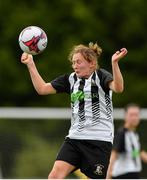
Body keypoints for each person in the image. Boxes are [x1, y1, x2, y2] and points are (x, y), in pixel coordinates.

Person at [21, 42, 127, 179]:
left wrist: (114, 63)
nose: (75, 66)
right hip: (75, 139)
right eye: (73, 62)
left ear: (92, 63)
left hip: (99, 141)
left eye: (78, 62)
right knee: (54, 176)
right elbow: (42, 89)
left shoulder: (100, 77)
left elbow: (118, 88)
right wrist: (30, 64)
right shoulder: (70, 79)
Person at [107, 103, 147, 179]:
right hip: (123, 175)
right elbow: (113, 156)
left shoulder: (134, 134)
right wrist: (107, 177)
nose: (134, 118)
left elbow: (139, 152)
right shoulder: (121, 134)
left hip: (134, 174)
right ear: (125, 116)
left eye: (136, 115)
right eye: (131, 115)